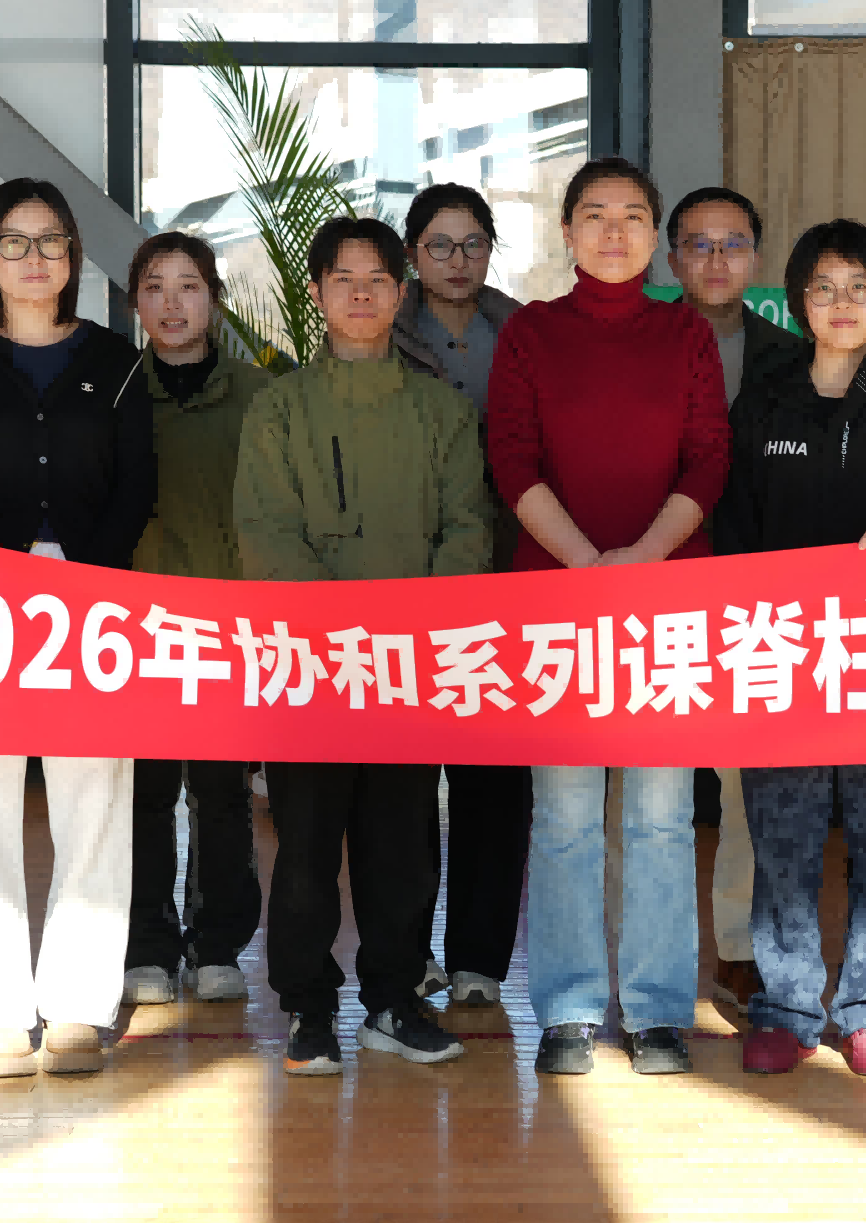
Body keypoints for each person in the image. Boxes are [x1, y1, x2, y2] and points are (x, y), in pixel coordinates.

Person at [488, 157, 729, 1076]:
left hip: (665, 602)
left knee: (663, 815)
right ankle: (568, 1008)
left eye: (633, 215)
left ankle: (660, 1009)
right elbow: (512, 458)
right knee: (564, 815)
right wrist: (588, 566)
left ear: (655, 235)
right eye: (595, 215)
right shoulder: (532, 333)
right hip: (557, 603)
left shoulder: (685, 333)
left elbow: (709, 457)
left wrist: (640, 561)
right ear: (567, 232)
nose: (614, 232)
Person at [236, 216, 488, 1077]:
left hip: (410, 669)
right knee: (305, 850)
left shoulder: (441, 411)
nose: (360, 294)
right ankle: (309, 1008)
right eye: (343, 279)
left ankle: (392, 1000)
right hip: (310, 667)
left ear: (400, 292)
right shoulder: (278, 410)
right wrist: (342, 634)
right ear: (316, 293)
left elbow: (467, 528)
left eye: (377, 279)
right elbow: (266, 532)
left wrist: (406, 634)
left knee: (402, 847)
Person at [713, 218, 866, 1077]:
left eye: (861, 287)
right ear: (798, 301)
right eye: (824, 288)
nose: (843, 303)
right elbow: (734, 527)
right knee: (783, 840)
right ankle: (785, 1005)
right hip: (781, 654)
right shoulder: (765, 401)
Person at [0, 178, 155, 1078]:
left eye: (51, 240)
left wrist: (88, 578)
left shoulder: (115, 360)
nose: (34, 258)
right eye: (13, 242)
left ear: (73, 256)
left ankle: (80, 1004)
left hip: (94, 601)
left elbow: (136, 484)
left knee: (95, 795)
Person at [665, 184, 809, 1016]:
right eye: (699, 243)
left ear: (756, 256)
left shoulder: (790, 356)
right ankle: (644, 957)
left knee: (746, 784)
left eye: (734, 244)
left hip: (755, 589)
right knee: (647, 792)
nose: (717, 260)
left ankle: (739, 948)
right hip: (656, 578)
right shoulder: (646, 344)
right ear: (672, 258)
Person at [120, 231, 268, 1008]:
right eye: (154, 287)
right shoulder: (111, 393)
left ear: (215, 299)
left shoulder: (260, 396)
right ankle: (146, 943)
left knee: (221, 793)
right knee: (142, 793)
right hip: (133, 627)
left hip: (228, 626)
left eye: (188, 286)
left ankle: (217, 946)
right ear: (135, 302)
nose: (171, 304)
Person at [391, 182, 528, 1008]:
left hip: (508, 581)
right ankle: (408, 953)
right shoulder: (380, 329)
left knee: (495, 782)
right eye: (439, 245)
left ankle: (479, 959)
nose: (457, 260)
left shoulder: (523, 332)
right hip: (409, 584)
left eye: (473, 243)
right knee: (407, 788)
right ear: (413, 253)